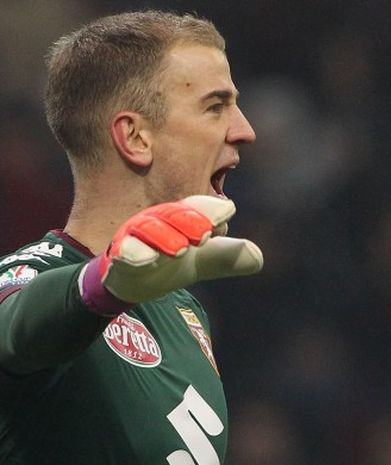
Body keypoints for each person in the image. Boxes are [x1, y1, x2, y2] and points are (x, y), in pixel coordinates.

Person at [0, 10, 264, 465]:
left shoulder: (180, 306)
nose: (245, 130)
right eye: (215, 106)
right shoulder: (37, 276)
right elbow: (17, 327)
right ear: (135, 136)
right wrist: (104, 283)